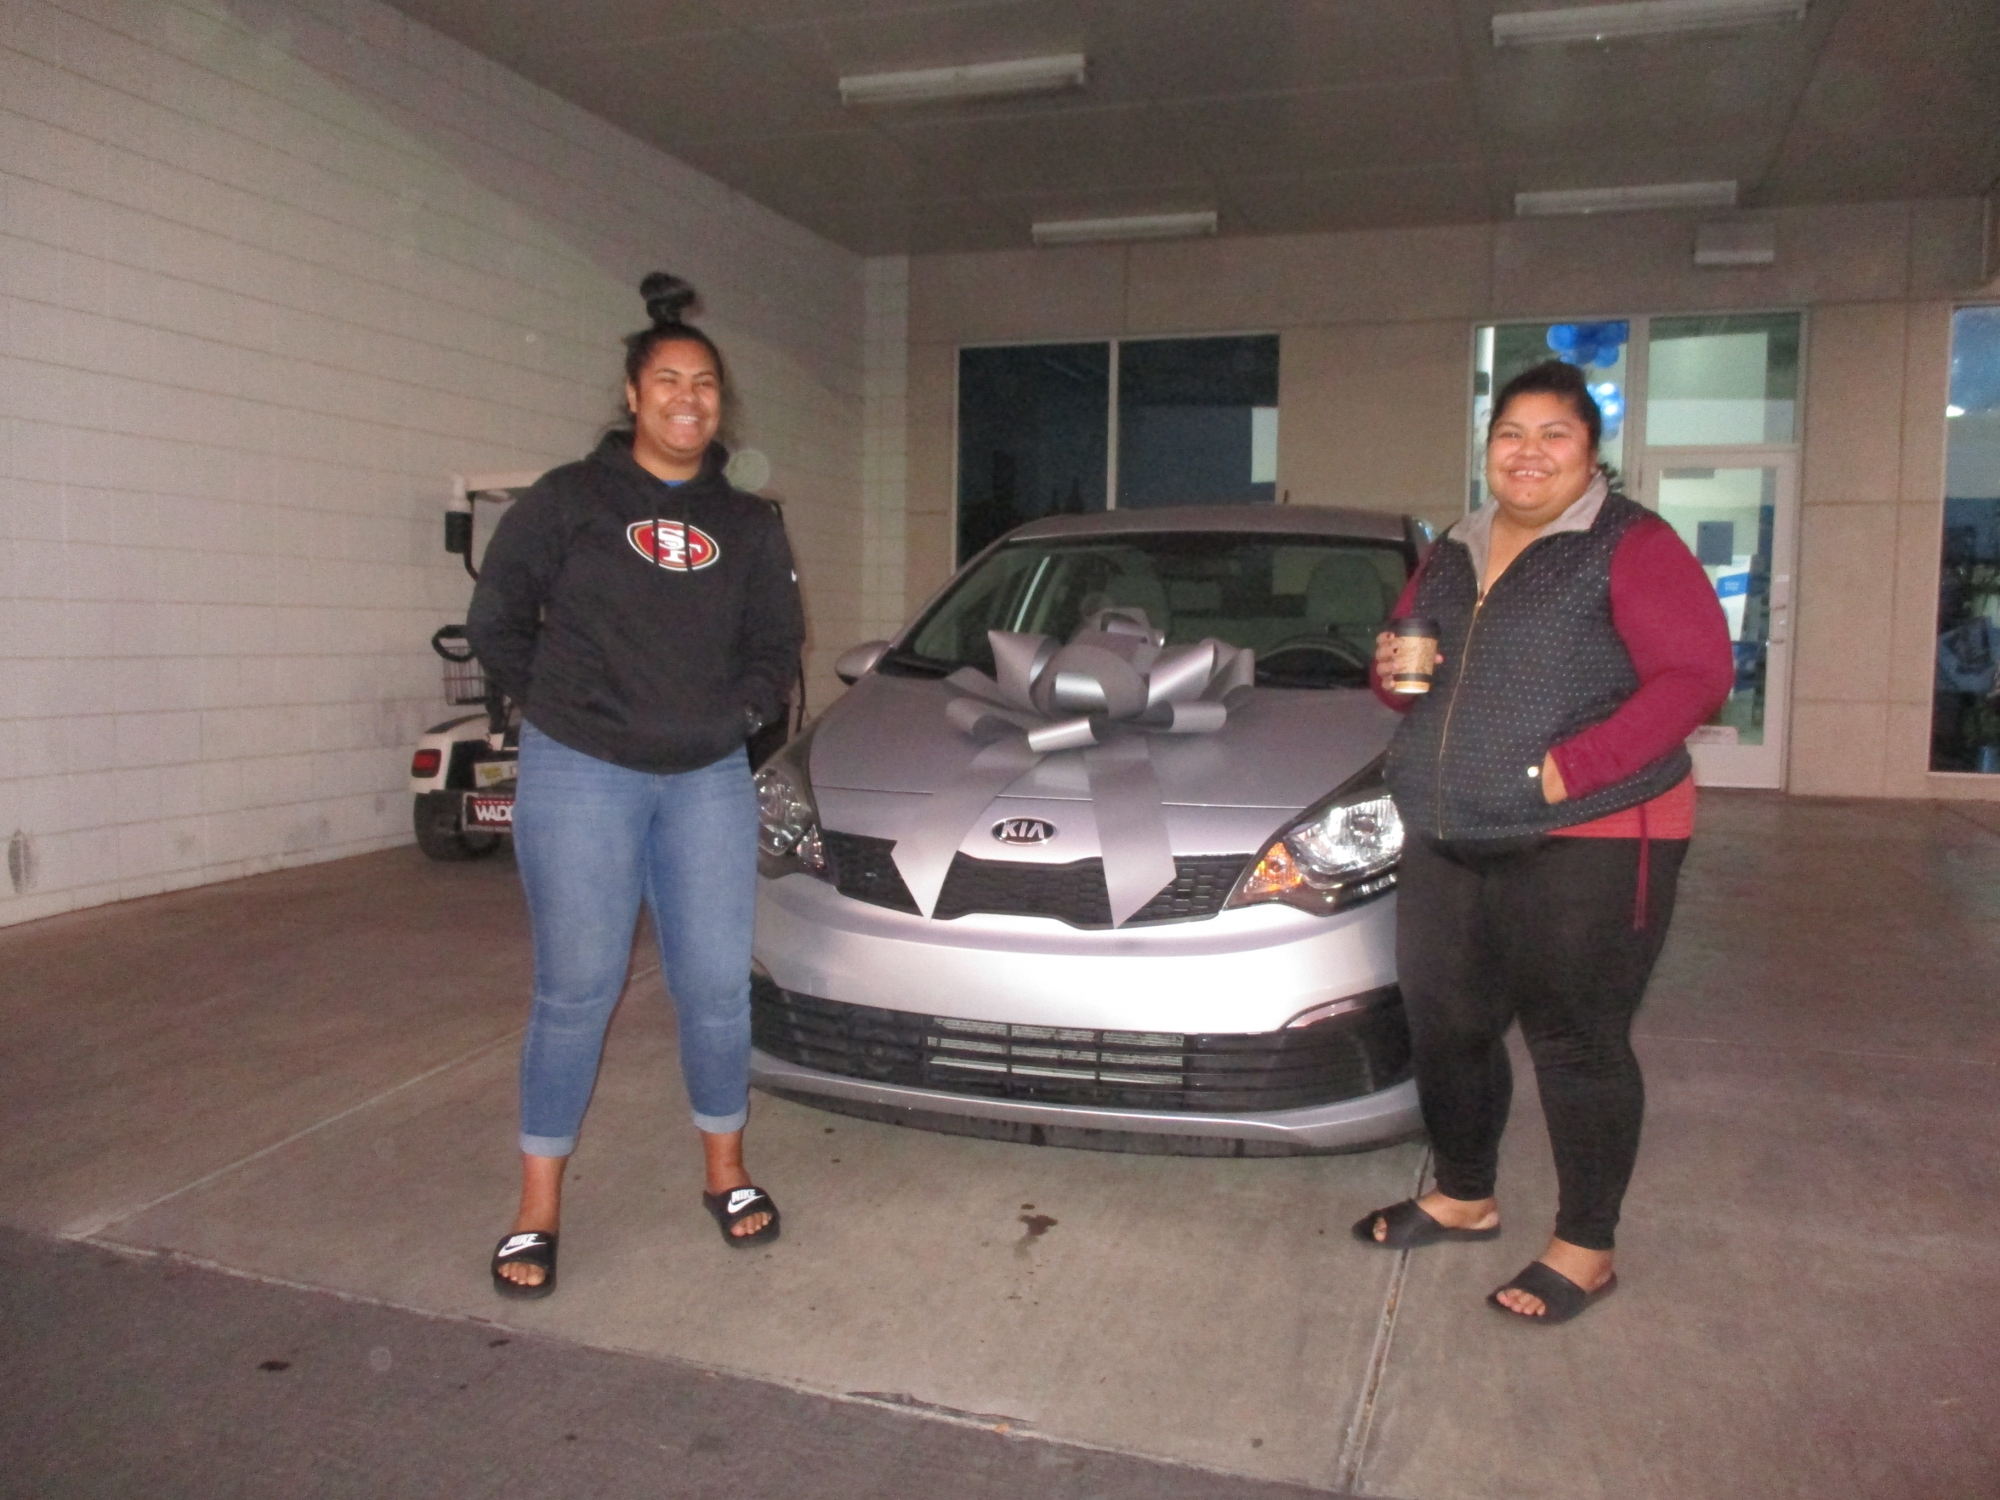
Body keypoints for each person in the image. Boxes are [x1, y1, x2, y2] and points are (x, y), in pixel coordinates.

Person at [1356, 359, 1732, 1324]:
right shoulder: (1455, 546)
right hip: (1450, 822)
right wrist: (1391, 674)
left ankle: (1586, 1246)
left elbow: (1696, 675)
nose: (1529, 452)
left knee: (1576, 1040)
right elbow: (1406, 668)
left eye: (1553, 433)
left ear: (1590, 452)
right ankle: (1464, 1195)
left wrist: (1578, 767)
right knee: (1446, 1023)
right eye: (1510, 434)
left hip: (1592, 831)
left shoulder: (1631, 543)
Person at [467, 273, 804, 1298]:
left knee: (715, 989)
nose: (687, 399)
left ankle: (725, 1173)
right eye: (668, 380)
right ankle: (536, 1208)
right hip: (582, 773)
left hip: (704, 781)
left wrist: (735, 719)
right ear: (631, 393)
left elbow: (775, 646)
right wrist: (563, 709)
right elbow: (496, 618)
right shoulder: (569, 499)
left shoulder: (748, 522)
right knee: (576, 991)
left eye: (704, 384)